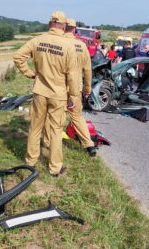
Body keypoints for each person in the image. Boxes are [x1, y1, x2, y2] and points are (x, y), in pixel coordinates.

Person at [13, 11, 80, 177]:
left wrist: (29, 73)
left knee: (35, 127)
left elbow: (18, 56)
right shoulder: (68, 46)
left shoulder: (37, 40)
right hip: (58, 94)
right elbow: (72, 76)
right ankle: (54, 168)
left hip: (40, 92)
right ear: (64, 26)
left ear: (50, 24)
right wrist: (73, 97)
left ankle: (30, 162)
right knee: (56, 130)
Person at [43, 18, 96, 157]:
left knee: (52, 116)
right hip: (75, 87)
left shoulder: (57, 43)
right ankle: (89, 145)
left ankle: (48, 143)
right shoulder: (81, 45)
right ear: (74, 29)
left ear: (63, 27)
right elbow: (88, 70)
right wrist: (87, 88)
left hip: (57, 87)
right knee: (77, 117)